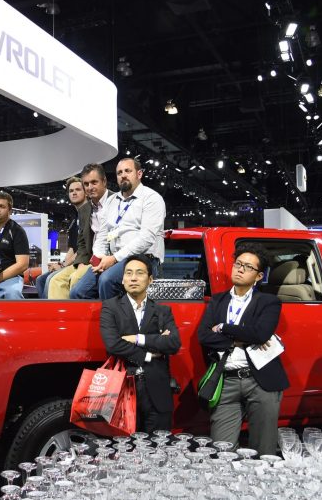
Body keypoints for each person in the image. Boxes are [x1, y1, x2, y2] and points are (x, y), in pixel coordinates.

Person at [196, 243, 287, 456]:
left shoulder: (268, 302)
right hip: (226, 379)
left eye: (248, 267)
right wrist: (237, 341)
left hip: (260, 380)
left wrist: (224, 327)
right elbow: (204, 336)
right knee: (221, 450)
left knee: (264, 450)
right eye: (238, 264)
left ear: (259, 276)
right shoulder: (218, 301)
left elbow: (260, 334)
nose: (240, 269)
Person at [99, 255, 180, 432]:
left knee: (158, 445)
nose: (133, 278)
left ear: (150, 279)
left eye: (139, 273)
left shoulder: (163, 311)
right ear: (122, 279)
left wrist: (137, 338)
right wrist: (149, 354)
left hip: (157, 390)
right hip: (123, 388)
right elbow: (113, 344)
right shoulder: (110, 307)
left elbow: (173, 343)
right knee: (124, 445)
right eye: (128, 273)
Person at [73, 158, 165, 299]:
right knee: (78, 292)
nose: (123, 175)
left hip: (143, 258)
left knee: (106, 281)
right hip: (113, 259)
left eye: (127, 171)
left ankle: (112, 313)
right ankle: (108, 311)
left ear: (139, 174)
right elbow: (103, 234)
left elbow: (146, 239)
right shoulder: (112, 201)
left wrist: (115, 258)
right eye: (119, 173)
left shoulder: (151, 198)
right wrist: (99, 257)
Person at [53, 163, 110, 300]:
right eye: (86, 184)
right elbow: (81, 244)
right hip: (89, 260)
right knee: (55, 281)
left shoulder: (116, 201)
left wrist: (66, 264)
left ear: (104, 181)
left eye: (94, 182)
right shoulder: (84, 211)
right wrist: (79, 263)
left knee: (76, 282)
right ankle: (59, 315)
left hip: (109, 258)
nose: (90, 187)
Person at [36, 176, 86, 298]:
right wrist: (60, 263)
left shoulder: (90, 214)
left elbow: (83, 249)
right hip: (74, 261)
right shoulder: (75, 219)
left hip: (84, 262)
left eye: (78, 190)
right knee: (40, 279)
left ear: (86, 192)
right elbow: (72, 248)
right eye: (71, 191)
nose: (74, 193)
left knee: (51, 279)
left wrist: (63, 265)